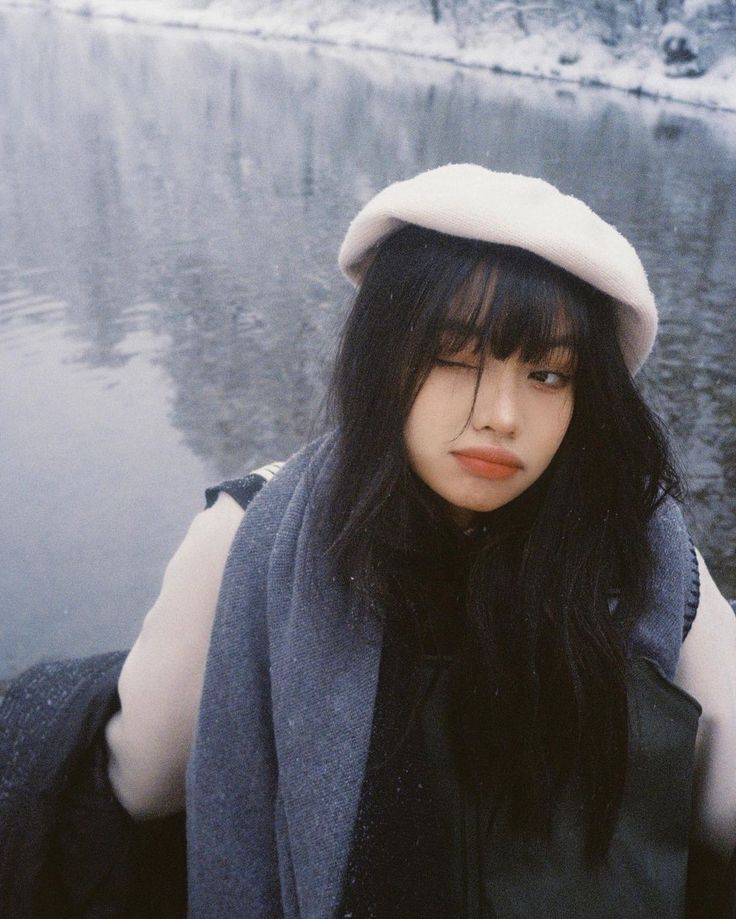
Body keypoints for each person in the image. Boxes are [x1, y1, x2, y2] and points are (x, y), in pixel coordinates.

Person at [16, 165, 736, 916]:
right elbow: (150, 769)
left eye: (549, 374)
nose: (502, 415)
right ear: (382, 355)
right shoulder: (261, 540)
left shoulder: (648, 553)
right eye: (456, 358)